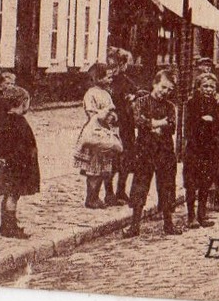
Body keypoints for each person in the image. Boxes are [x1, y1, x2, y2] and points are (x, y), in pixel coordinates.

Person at [123, 68, 182, 238]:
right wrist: (158, 123)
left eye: (170, 90)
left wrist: (152, 124)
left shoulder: (170, 106)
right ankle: (134, 225)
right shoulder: (141, 102)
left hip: (165, 152)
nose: (165, 92)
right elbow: (138, 121)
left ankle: (168, 224)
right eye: (163, 87)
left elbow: (171, 126)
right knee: (140, 186)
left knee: (167, 186)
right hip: (145, 151)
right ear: (154, 84)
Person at [0, 83, 39, 239]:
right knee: (13, 194)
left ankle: (7, 223)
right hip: (17, 165)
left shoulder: (2, 119)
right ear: (19, 103)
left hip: (11, 163)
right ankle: (9, 226)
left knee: (10, 194)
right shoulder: (16, 121)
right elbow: (20, 144)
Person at [73, 64, 122, 208]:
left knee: (103, 168)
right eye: (108, 76)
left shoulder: (106, 93)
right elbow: (92, 115)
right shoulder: (91, 94)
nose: (110, 78)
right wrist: (107, 113)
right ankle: (91, 198)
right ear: (98, 78)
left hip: (106, 132)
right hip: (95, 134)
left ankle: (98, 196)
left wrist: (113, 117)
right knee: (93, 169)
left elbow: (113, 112)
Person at [182, 71, 219, 229]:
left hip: (210, 149)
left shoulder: (214, 104)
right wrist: (203, 120)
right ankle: (191, 217)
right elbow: (189, 127)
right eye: (205, 86)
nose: (208, 89)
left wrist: (212, 122)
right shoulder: (192, 104)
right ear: (198, 88)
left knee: (205, 182)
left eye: (211, 87)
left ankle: (202, 215)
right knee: (191, 183)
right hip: (195, 148)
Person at [109, 49, 141, 202]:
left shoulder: (120, 81)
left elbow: (136, 93)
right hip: (119, 124)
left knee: (119, 158)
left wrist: (133, 96)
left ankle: (115, 192)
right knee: (117, 158)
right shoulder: (115, 81)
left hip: (120, 124)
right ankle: (115, 192)